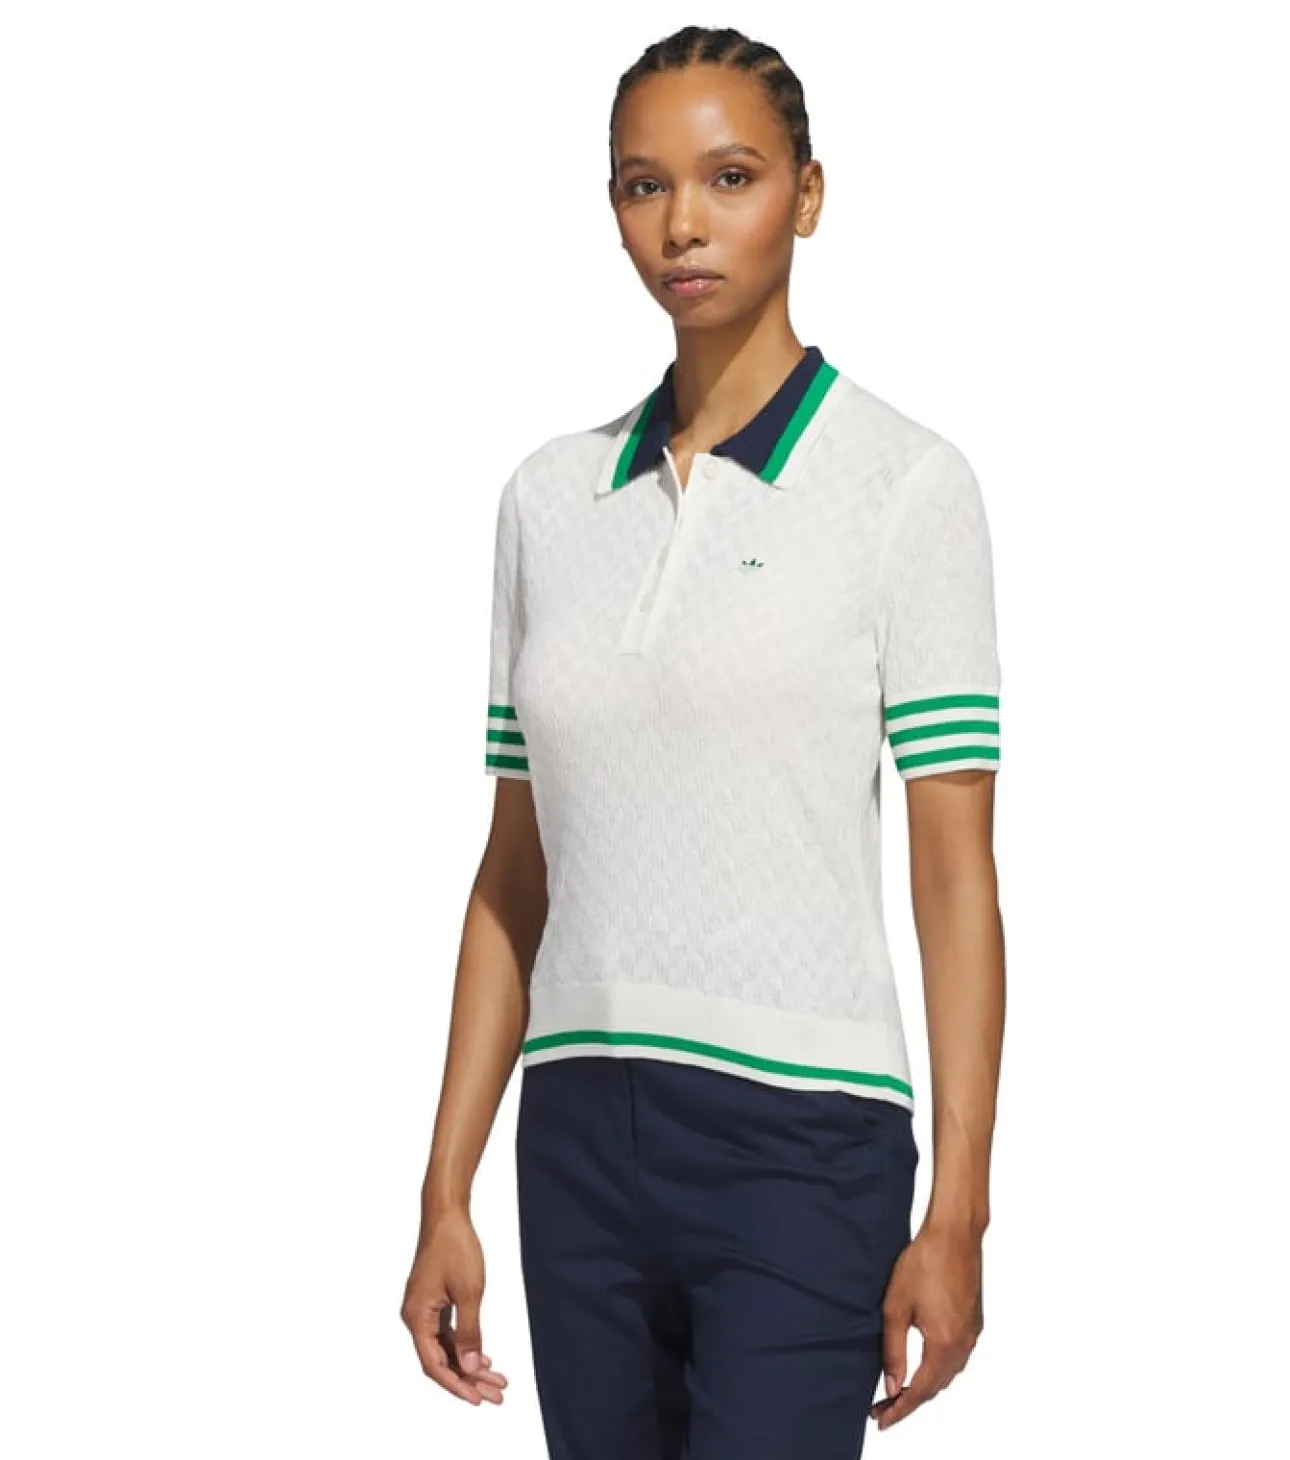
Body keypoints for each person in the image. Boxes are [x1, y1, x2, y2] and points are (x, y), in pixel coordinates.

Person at [400, 23, 1006, 1458]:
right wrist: (444, 1190)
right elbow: (512, 876)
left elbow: (954, 878)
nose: (683, 222)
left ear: (808, 193)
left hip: (805, 1144)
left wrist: (960, 1212)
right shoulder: (547, 501)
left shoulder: (906, 488)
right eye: (644, 184)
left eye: (730, 177)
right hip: (577, 1141)